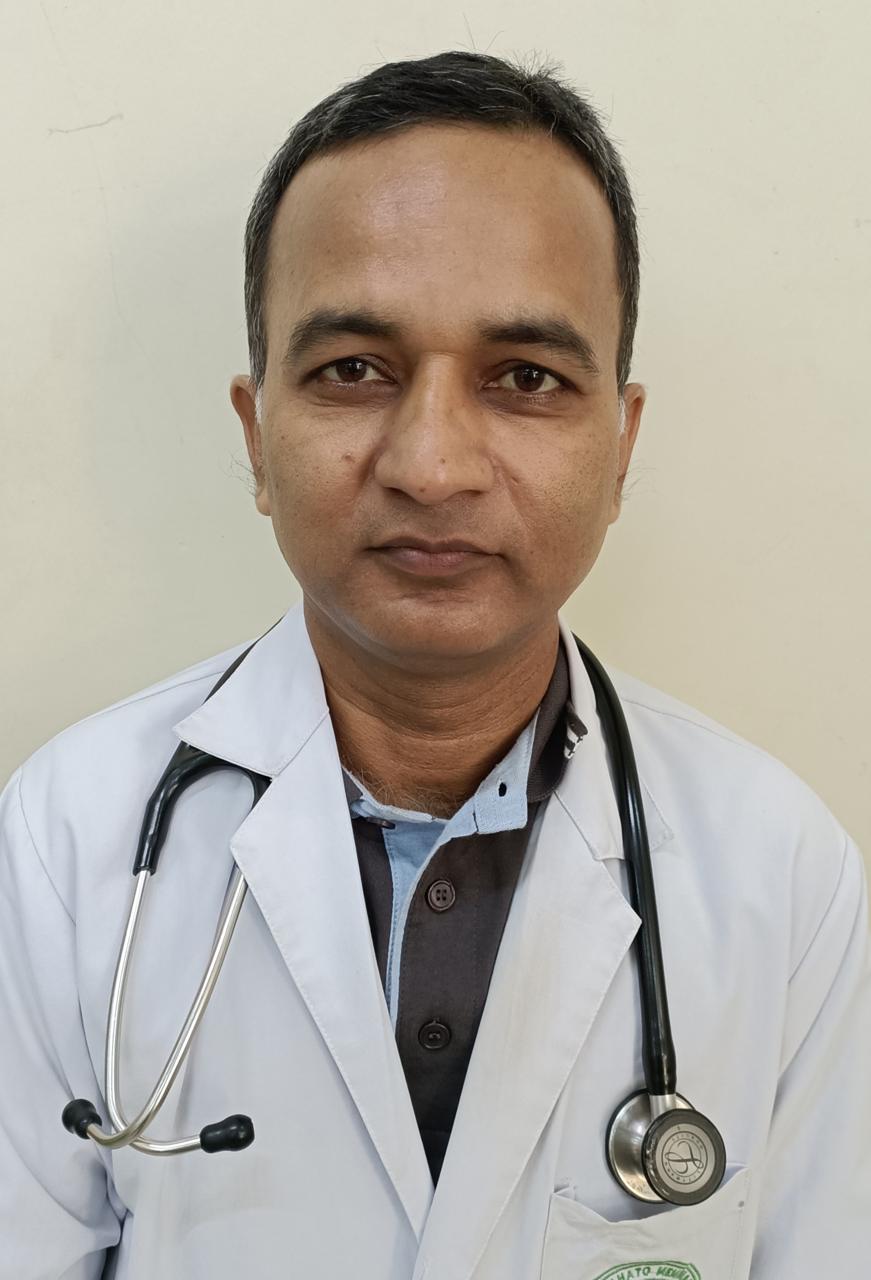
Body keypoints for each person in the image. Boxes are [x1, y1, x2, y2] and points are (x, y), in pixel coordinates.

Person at [0, 49, 868, 1280]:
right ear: (258, 434)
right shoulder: (63, 844)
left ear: (620, 447)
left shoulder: (779, 874)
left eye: (526, 378)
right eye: (353, 369)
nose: (432, 464)